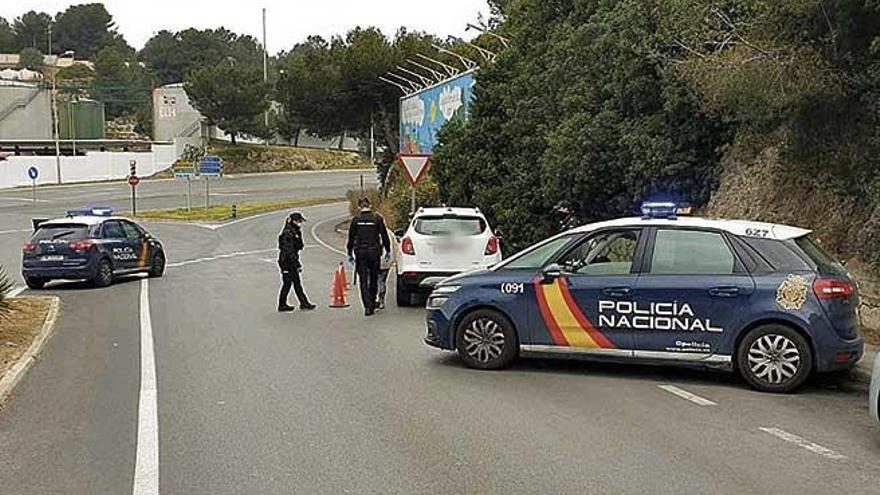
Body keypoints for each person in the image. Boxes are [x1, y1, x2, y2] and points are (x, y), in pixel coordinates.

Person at [347, 198, 391, 316]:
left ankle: (367, 306)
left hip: (360, 252)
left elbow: (351, 238)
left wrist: (349, 252)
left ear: (359, 207)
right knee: (373, 278)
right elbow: (384, 235)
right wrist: (388, 250)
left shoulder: (356, 220)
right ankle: (372, 301)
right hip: (374, 252)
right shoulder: (377, 218)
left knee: (363, 280)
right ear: (370, 206)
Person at [277, 211, 316, 312]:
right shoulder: (288, 233)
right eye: (299, 221)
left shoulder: (294, 231)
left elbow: (299, 246)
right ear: (294, 221)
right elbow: (288, 251)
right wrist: (296, 264)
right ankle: (282, 304)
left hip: (291, 259)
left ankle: (303, 302)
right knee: (287, 283)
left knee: (296, 283)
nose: (300, 223)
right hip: (286, 261)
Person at [376, 227, 399, 310]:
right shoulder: (389, 233)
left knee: (374, 280)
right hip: (386, 261)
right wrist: (395, 260)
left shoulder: (371, 231)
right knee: (382, 280)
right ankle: (381, 300)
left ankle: (375, 299)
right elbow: (395, 246)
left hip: (374, 260)